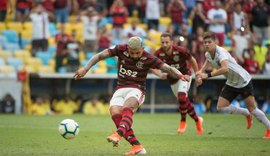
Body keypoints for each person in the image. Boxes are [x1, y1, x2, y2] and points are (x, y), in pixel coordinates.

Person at [74, 36, 190, 155]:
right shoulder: (120, 49)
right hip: (120, 88)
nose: (135, 56)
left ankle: (118, 134)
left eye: (138, 53)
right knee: (115, 114)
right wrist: (85, 68)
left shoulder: (148, 57)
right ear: (127, 48)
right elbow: (99, 56)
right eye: (132, 52)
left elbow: (168, 68)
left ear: (143, 48)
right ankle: (137, 146)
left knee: (127, 107)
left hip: (137, 89)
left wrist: (181, 75)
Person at [196, 32, 270, 139]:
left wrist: (206, 75)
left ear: (215, 42)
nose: (207, 44)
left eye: (209, 42)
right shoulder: (207, 53)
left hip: (243, 80)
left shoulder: (221, 52)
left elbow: (225, 68)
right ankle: (245, 113)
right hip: (231, 82)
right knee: (220, 107)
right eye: (205, 42)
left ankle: (269, 128)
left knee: (253, 109)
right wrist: (200, 71)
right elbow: (208, 60)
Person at [151, 32, 204, 135]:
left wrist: (197, 74)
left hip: (184, 76)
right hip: (172, 81)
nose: (165, 44)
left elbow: (192, 60)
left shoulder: (180, 51)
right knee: (184, 101)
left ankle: (183, 122)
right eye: (163, 42)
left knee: (181, 96)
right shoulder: (158, 53)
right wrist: (160, 75)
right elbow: (151, 66)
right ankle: (197, 120)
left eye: (167, 42)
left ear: (171, 42)